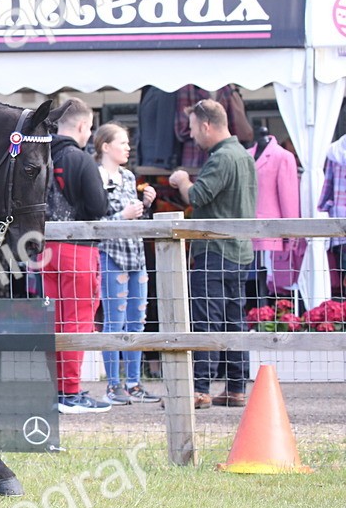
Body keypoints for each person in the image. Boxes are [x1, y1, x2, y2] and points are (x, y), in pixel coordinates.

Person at [169, 99, 258, 409]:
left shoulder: (220, 158)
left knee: (205, 321)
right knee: (235, 321)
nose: (192, 135)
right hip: (240, 250)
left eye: (193, 128)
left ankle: (200, 389)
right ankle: (236, 387)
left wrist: (183, 181)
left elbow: (197, 195)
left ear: (206, 125)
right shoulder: (244, 156)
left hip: (215, 251)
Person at [41, 98, 111, 413]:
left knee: (55, 319)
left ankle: (58, 389)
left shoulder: (39, 155)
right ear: (83, 125)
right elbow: (99, 207)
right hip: (77, 246)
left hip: (45, 247)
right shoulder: (80, 160)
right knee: (78, 319)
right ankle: (70, 392)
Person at [93, 123, 161, 405]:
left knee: (137, 320)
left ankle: (134, 383)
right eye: (122, 142)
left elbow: (135, 220)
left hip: (135, 255)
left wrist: (145, 205)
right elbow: (94, 224)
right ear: (105, 146)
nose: (128, 147)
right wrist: (123, 216)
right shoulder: (94, 177)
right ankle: (113, 384)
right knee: (115, 321)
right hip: (111, 254)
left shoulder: (129, 176)